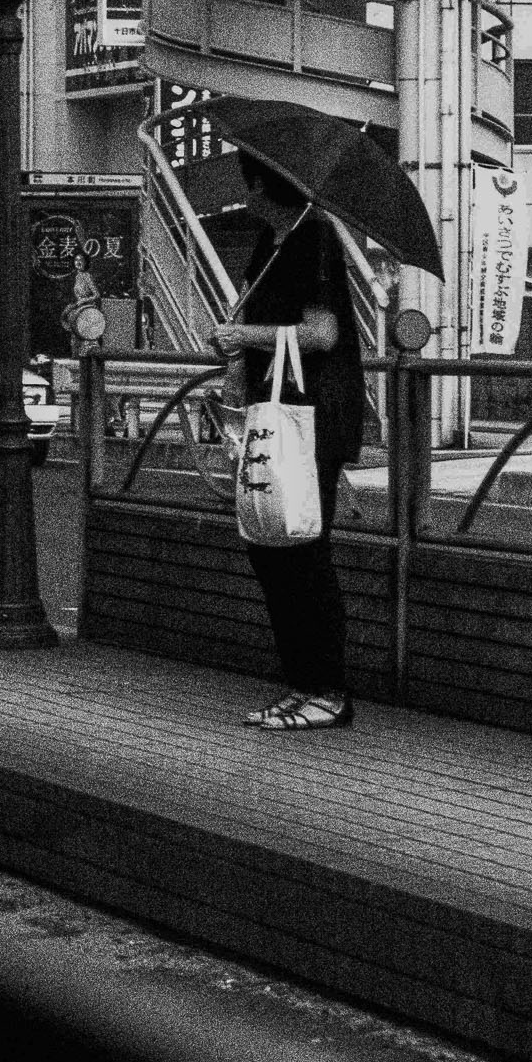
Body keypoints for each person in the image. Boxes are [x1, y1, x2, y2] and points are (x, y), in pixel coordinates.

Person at [210, 151, 363, 731]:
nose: (243, 195)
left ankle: (329, 691)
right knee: (266, 541)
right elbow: (255, 331)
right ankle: (301, 684)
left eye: (246, 183)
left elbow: (322, 334)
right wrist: (235, 355)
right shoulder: (269, 240)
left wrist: (244, 332)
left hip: (313, 414)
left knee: (302, 545)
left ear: (259, 185)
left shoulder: (314, 234)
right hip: (274, 411)